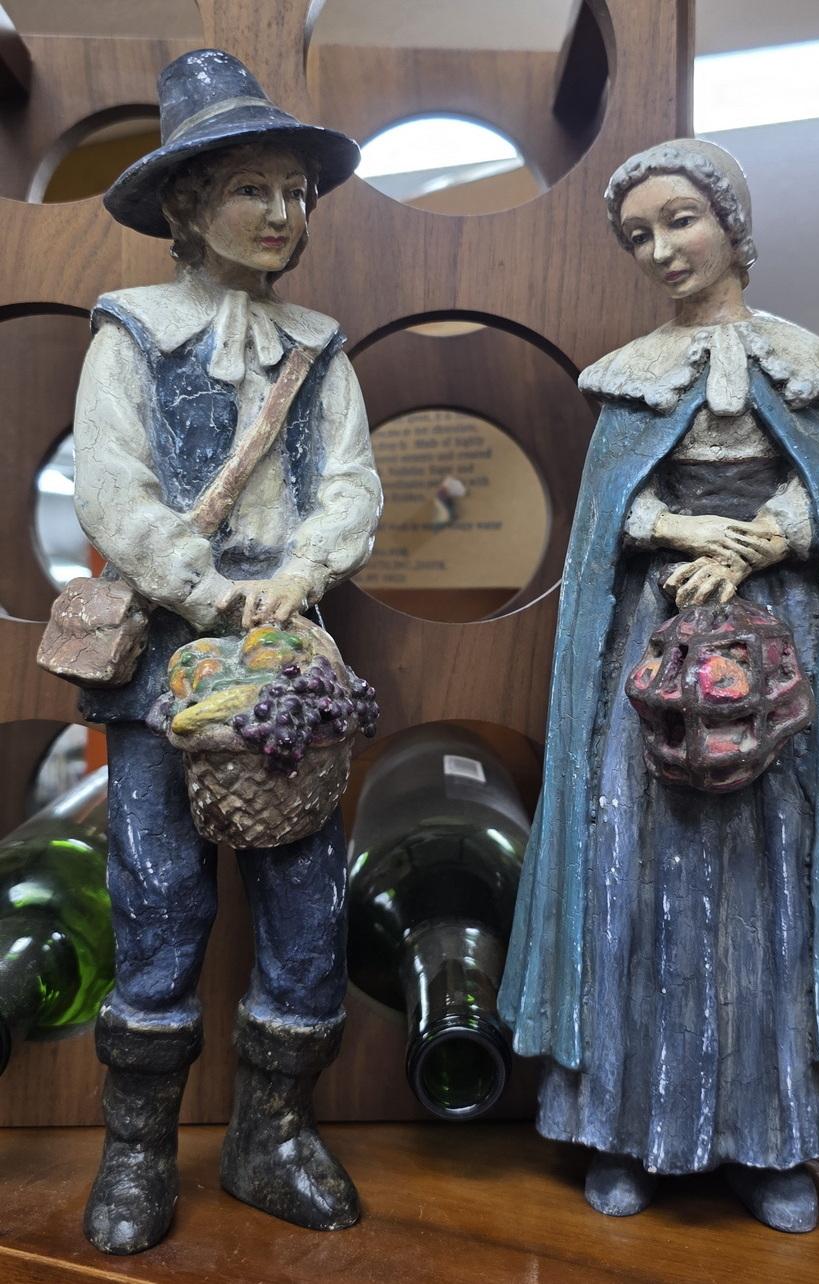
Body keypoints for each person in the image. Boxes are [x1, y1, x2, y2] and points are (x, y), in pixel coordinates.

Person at [498, 139, 819, 1234]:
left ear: (731, 224)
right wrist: (683, 530)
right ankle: (630, 1128)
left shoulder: (801, 364)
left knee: (772, 890)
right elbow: (607, 515)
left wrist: (758, 544)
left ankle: (772, 1138)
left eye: (680, 220)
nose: (662, 249)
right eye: (639, 235)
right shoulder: (630, 379)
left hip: (777, 659)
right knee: (637, 884)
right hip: (652, 657)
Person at [70, 50, 381, 1254]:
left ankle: (273, 1134)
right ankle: (138, 1147)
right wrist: (203, 588)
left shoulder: (319, 345)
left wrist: (302, 572)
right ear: (189, 204)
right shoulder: (133, 336)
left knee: (305, 896)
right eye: (254, 187)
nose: (283, 211)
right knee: (156, 893)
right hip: (168, 658)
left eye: (297, 190)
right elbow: (112, 487)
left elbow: (348, 481)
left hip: (286, 660)